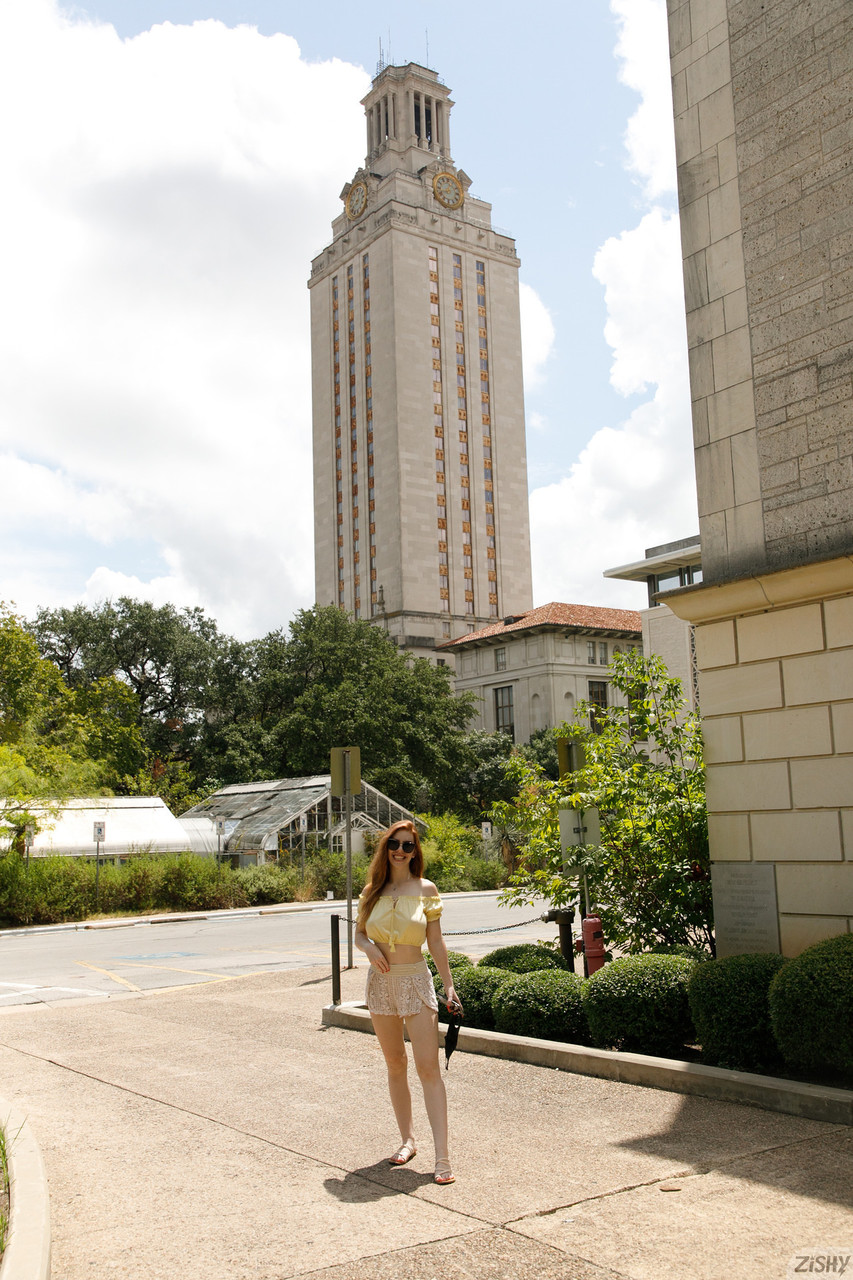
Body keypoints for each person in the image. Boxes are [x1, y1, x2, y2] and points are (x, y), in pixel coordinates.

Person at [354, 819, 463, 1185]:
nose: (400, 851)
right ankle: (407, 1140)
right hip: (380, 985)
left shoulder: (426, 889)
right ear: (385, 848)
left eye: (407, 846)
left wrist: (449, 985)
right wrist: (369, 949)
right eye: (394, 844)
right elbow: (359, 935)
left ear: (415, 852)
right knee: (395, 1063)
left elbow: (436, 941)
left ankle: (442, 1157)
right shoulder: (372, 890)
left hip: (415, 981)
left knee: (428, 1068)